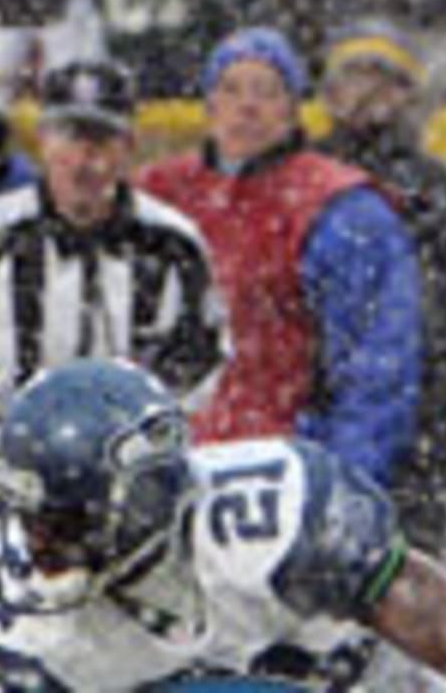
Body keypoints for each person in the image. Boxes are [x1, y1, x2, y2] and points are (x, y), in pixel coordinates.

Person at [0, 59, 228, 693]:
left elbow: (203, 362)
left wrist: (117, 454)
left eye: (102, 140)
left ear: (129, 145)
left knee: (117, 673)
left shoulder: (172, 246)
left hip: (118, 505)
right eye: (72, 137)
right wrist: (20, 454)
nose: (87, 159)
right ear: (44, 140)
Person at [0, 357, 446, 691]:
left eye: (65, 520)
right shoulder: (26, 622)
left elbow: (437, 622)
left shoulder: (277, 514)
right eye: (29, 515)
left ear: (144, 502)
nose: (38, 543)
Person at [137, 27, 423, 489]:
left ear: (294, 108)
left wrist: (345, 480)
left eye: (266, 91)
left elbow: (377, 367)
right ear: (208, 104)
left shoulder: (340, 206)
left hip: (282, 461)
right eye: (231, 89)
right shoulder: (158, 192)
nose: (246, 106)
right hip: (168, 454)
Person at [315, 21, 446, 555]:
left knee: (411, 563)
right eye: (355, 76)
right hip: (323, 405)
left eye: (382, 78)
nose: (367, 93)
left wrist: (440, 382)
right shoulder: (306, 175)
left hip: (418, 407)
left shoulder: (431, 183)